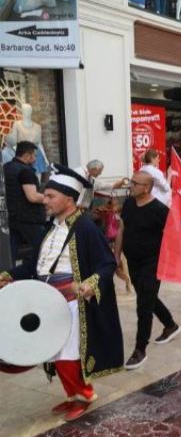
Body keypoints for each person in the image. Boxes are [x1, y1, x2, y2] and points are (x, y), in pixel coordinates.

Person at [0, 165, 125, 421]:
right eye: (45, 196)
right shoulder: (50, 228)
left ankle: (84, 394)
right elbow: (34, 265)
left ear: (69, 199)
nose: (44, 200)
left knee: (67, 354)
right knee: (54, 352)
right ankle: (73, 395)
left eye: (50, 196)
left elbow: (107, 263)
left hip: (71, 303)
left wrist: (90, 284)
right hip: (47, 300)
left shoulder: (86, 227)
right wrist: (8, 276)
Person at [115, 171, 181, 370]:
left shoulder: (160, 210)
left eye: (135, 183)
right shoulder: (128, 203)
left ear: (146, 187)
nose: (131, 185)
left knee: (143, 305)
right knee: (147, 296)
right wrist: (116, 257)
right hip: (133, 261)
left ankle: (140, 350)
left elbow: (174, 236)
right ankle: (170, 325)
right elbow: (121, 230)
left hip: (153, 263)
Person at [4, 140, 46, 263]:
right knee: (43, 248)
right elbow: (32, 196)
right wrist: (48, 198)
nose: (35, 158)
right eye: (34, 155)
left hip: (11, 218)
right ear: (27, 155)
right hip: (29, 219)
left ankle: (7, 278)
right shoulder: (25, 171)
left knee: (10, 254)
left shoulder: (5, 168)